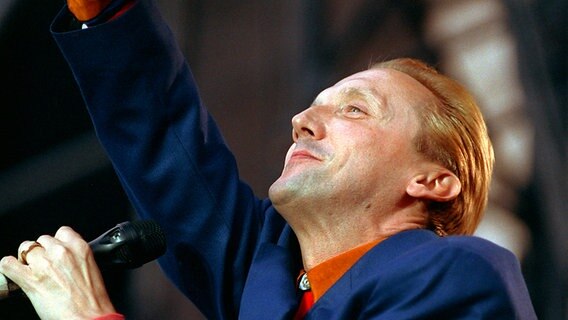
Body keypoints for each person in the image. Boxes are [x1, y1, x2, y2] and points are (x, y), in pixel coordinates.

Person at [0, 0, 537, 319]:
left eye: (355, 109)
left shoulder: (461, 274)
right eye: (313, 104)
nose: (301, 119)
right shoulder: (270, 272)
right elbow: (166, 144)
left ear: (433, 181)